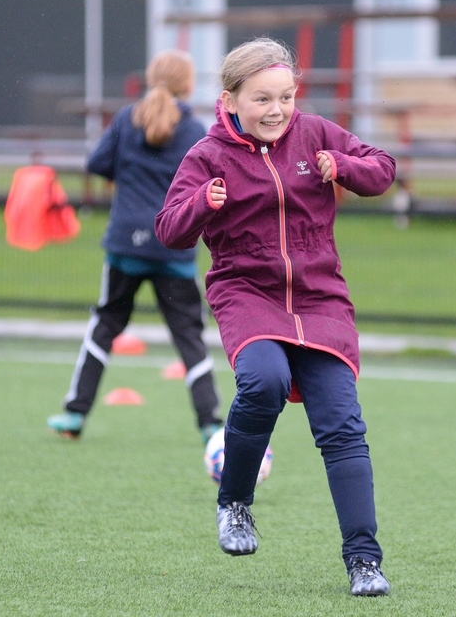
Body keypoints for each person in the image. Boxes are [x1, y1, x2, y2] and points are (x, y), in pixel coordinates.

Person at [154, 38, 394, 597]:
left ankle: (364, 560)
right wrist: (201, 203)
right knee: (264, 380)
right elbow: (169, 229)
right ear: (230, 100)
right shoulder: (207, 156)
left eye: (286, 96)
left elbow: (382, 169)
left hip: (321, 297)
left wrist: (345, 166)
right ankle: (235, 503)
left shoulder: (314, 134)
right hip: (246, 291)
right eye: (262, 99)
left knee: (342, 425)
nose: (277, 109)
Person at [46, 49, 224, 444]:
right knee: (190, 337)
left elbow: (97, 163)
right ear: (188, 85)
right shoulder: (194, 130)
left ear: (150, 79)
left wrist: (129, 171)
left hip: (125, 244)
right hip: (172, 247)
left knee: (105, 325)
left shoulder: (127, 119)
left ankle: (74, 414)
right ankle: (210, 422)